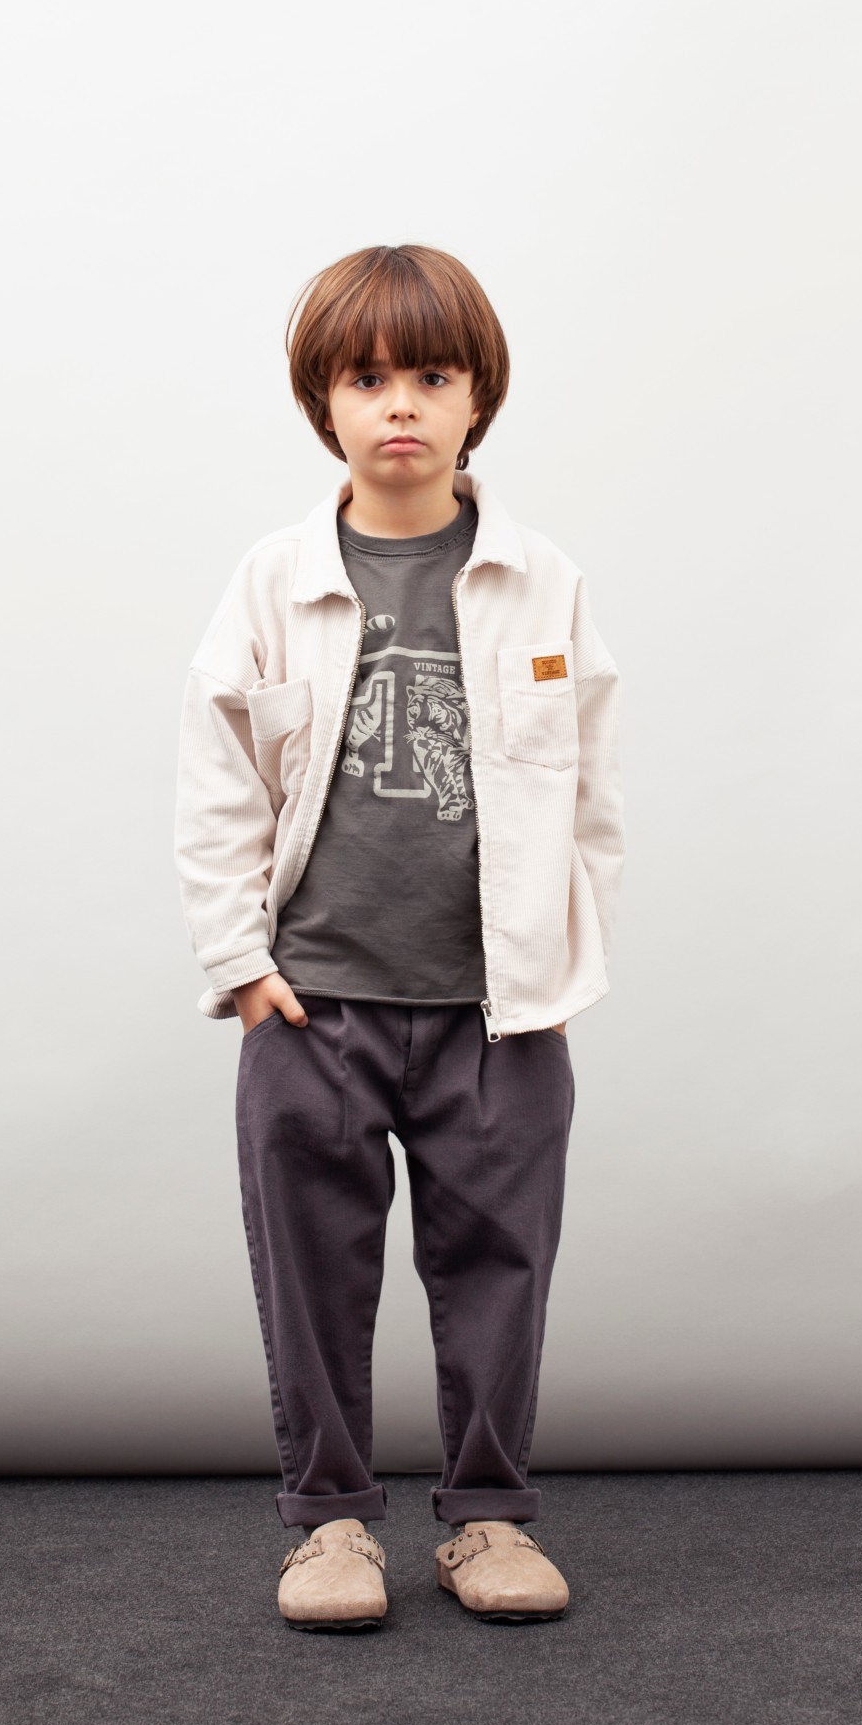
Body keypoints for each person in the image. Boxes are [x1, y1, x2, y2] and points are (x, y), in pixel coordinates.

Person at [174, 244, 626, 1630]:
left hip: (496, 1011)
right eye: (367, 379)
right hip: (313, 1005)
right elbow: (217, 780)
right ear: (324, 402)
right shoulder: (273, 579)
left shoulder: (540, 580)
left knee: (500, 1267)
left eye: (431, 376)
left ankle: (487, 1516)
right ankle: (329, 1527)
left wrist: (563, 966)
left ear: (479, 396)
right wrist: (241, 968)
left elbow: (592, 796)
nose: (400, 406)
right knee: (311, 1272)